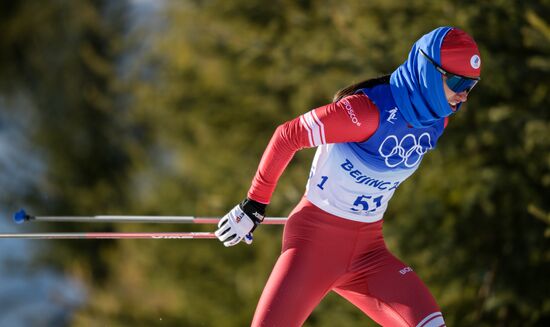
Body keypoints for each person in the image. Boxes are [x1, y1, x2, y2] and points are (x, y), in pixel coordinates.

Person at [215, 26, 482, 327]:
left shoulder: (438, 120)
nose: (464, 95)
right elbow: (287, 135)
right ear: (429, 73)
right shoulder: (365, 112)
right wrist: (253, 206)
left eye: (471, 86)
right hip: (313, 246)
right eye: (458, 81)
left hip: (369, 253)